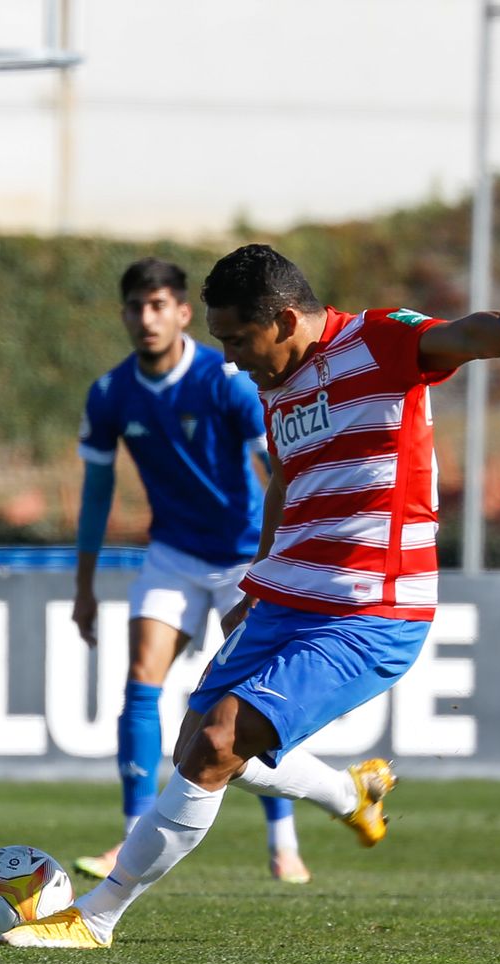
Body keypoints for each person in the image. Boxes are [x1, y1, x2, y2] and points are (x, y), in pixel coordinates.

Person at [4, 244, 500, 948]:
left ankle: (94, 916)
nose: (230, 358)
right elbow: (286, 482)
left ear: (287, 318)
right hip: (286, 593)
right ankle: (353, 793)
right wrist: (259, 580)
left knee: (218, 745)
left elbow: (458, 336)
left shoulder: (381, 339)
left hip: (371, 607)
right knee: (195, 747)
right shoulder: (276, 381)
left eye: (238, 339)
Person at [72, 257, 313, 886]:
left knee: (252, 702)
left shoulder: (226, 380)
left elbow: (278, 473)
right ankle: (128, 838)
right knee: (140, 680)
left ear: (183, 313)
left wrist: (278, 565)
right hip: (173, 555)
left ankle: (283, 841)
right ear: (124, 314)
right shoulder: (110, 393)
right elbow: (97, 494)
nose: (146, 319)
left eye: (159, 306)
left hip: (241, 556)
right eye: (135, 307)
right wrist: (84, 585)